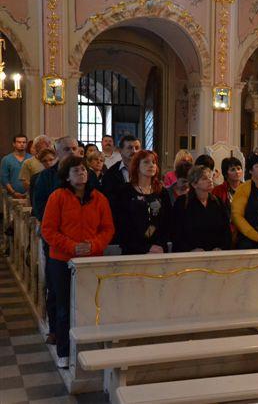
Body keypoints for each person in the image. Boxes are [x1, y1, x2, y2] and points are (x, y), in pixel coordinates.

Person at [41, 156, 114, 368]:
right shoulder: (57, 197)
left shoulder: (99, 198)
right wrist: (72, 246)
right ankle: (64, 352)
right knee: (64, 307)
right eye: (75, 170)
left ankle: (89, 349)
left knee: (91, 306)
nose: (81, 173)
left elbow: (108, 229)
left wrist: (93, 245)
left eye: (83, 169)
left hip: (91, 261)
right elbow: (48, 230)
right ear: (66, 176)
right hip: (62, 260)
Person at [31, 136, 80, 347]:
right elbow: (41, 211)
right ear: (57, 152)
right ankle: (55, 330)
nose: (72, 152)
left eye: (75, 148)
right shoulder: (45, 178)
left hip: (81, 243)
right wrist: (63, 234)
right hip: (55, 242)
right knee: (55, 286)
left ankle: (78, 329)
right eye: (67, 149)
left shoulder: (86, 176)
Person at [113, 150, 171, 255]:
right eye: (146, 162)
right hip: (133, 250)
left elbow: (167, 222)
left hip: (158, 250)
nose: (151, 165)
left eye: (154, 162)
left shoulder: (162, 192)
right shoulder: (125, 191)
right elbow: (122, 224)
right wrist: (145, 248)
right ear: (136, 166)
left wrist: (160, 245)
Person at [172, 165, 231, 252]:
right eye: (204, 179)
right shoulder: (182, 203)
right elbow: (176, 233)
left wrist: (221, 248)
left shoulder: (217, 202)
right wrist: (190, 250)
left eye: (210, 177)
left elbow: (226, 230)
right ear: (194, 184)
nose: (210, 180)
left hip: (215, 254)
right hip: (190, 256)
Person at [100, 135, 141, 206]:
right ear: (120, 151)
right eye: (129, 148)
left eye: (137, 148)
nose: (134, 151)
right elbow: (109, 201)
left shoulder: (146, 170)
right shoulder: (110, 174)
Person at [1, 134, 31, 198]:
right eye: (19, 142)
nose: (22, 144)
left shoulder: (31, 159)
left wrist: (28, 192)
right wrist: (13, 193)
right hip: (11, 196)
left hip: (29, 195)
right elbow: (4, 179)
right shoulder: (6, 159)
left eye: (24, 142)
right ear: (14, 144)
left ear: (26, 144)